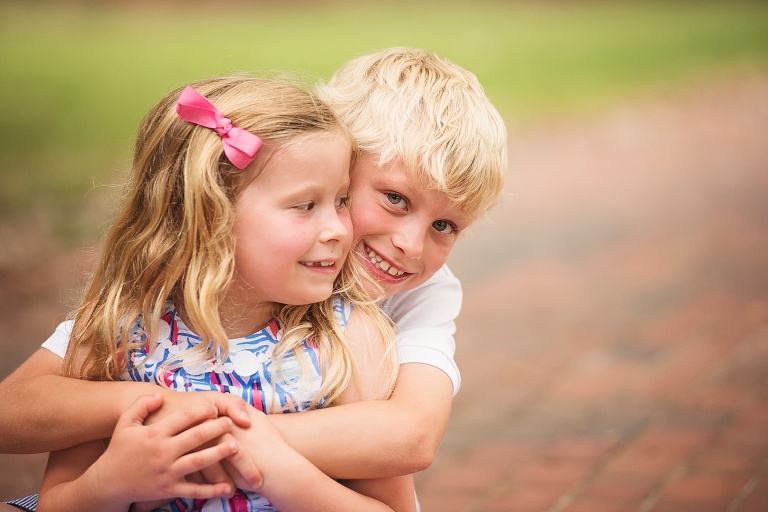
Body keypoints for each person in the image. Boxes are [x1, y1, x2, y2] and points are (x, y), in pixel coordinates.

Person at [0, 47, 507, 509]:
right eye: (393, 199)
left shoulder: (359, 331)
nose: (410, 245)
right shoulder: (130, 324)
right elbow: (29, 427)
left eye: (445, 226)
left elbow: (410, 437)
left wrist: (232, 442)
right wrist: (158, 420)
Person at [32, 76, 412, 511]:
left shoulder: (345, 337)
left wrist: (277, 469)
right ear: (210, 215)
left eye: (342, 200)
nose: (338, 230)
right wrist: (111, 483)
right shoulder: (120, 330)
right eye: (306, 205)